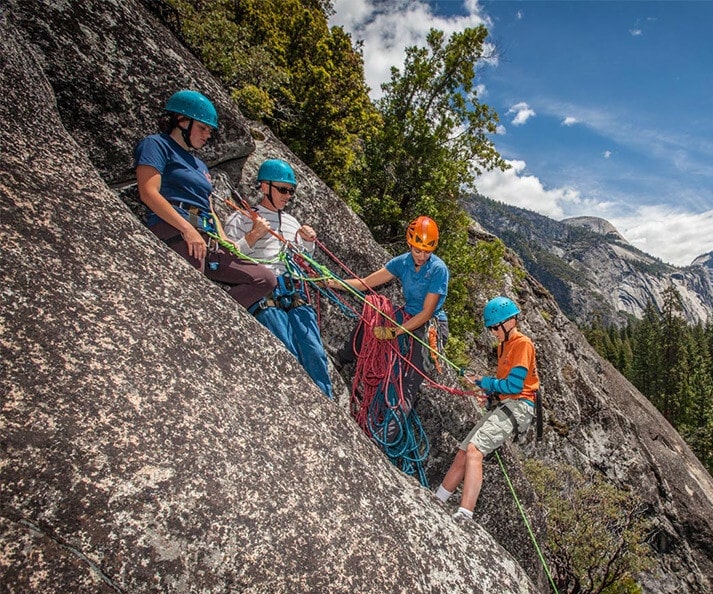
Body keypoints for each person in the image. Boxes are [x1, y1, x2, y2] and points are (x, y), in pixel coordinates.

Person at [134, 89, 274, 311]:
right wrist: (186, 229)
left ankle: (216, 316)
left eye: (209, 130)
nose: (207, 135)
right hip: (174, 228)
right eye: (203, 128)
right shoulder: (157, 145)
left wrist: (222, 238)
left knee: (264, 279)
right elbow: (148, 192)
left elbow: (208, 206)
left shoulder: (199, 165)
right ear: (181, 121)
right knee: (192, 289)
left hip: (206, 235)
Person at [222, 158, 332, 398]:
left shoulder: (292, 223)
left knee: (314, 351)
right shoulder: (242, 218)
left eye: (290, 191)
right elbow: (228, 259)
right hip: (264, 289)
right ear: (264, 187)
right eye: (282, 189)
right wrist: (253, 236)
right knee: (285, 351)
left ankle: (328, 406)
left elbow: (301, 259)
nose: (287, 195)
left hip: (292, 288)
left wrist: (307, 244)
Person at [434, 296, 539, 521]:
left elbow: (514, 385)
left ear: (509, 322)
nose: (493, 332)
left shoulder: (522, 344)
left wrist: (484, 382)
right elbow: (505, 385)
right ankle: (437, 499)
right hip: (507, 403)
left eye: (495, 327)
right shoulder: (504, 346)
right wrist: (488, 389)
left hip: (519, 405)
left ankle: (465, 513)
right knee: (463, 452)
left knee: (475, 450)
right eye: (491, 329)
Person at [331, 215, 450, 409]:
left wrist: (395, 332)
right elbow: (366, 283)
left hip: (430, 324)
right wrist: (331, 282)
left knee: (408, 383)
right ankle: (341, 358)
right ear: (409, 244)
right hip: (409, 314)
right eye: (418, 249)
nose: (421, 255)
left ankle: (385, 432)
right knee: (372, 318)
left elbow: (427, 313)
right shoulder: (402, 262)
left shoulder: (438, 269)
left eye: (427, 251)